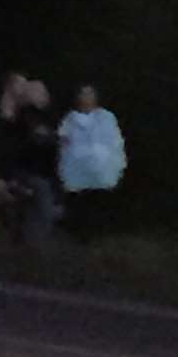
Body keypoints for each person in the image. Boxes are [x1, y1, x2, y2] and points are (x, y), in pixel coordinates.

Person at [59, 84, 126, 241]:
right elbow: (64, 142)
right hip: (77, 173)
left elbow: (114, 142)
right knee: (80, 207)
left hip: (101, 173)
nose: (86, 98)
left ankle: (100, 237)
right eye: (83, 94)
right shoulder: (70, 119)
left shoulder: (106, 117)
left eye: (89, 94)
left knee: (98, 206)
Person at [6, 79, 60, 249]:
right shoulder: (25, 117)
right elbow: (33, 141)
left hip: (40, 171)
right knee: (42, 205)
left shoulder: (46, 117)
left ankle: (29, 244)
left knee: (40, 208)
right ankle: (34, 245)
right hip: (27, 172)